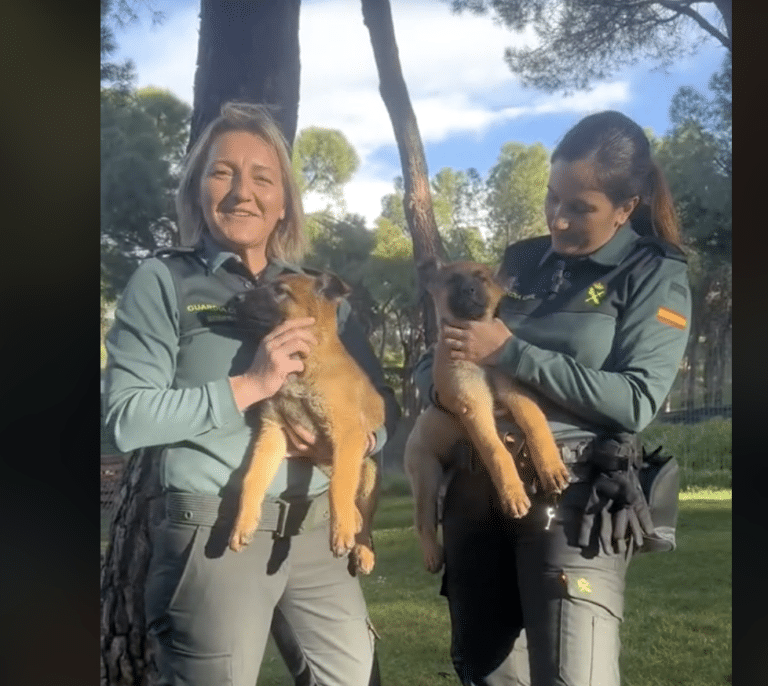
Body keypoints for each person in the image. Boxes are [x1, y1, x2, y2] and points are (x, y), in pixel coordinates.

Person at [103, 101, 399, 686]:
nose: (243, 192)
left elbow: (375, 407)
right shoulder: (166, 279)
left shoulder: (314, 291)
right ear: (196, 190)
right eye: (222, 172)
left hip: (318, 526)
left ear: (283, 201)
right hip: (216, 524)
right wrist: (251, 385)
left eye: (263, 177)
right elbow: (123, 420)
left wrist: (355, 440)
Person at [413, 110, 691, 686]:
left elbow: (637, 399)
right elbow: (457, 346)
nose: (558, 221)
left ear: (625, 207)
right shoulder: (522, 261)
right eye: (551, 199)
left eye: (580, 208)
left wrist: (512, 353)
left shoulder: (651, 270)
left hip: (569, 498)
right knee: (489, 676)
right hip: (472, 491)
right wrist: (436, 381)